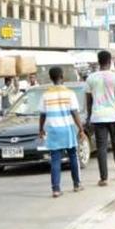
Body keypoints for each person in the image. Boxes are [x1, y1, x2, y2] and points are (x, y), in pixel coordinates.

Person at [39, 67, 86, 198]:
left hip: (53, 129)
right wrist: (81, 129)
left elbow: (42, 115)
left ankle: (56, 189)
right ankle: (77, 184)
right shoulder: (69, 93)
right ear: (62, 76)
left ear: (51, 78)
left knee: (55, 159)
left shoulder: (46, 94)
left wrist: (41, 129)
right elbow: (74, 112)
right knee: (73, 156)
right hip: (67, 128)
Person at [86, 50, 115, 186]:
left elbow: (88, 100)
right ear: (110, 62)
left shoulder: (91, 78)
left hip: (98, 117)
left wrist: (89, 116)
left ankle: (104, 178)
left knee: (101, 148)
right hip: (114, 115)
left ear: (98, 62)